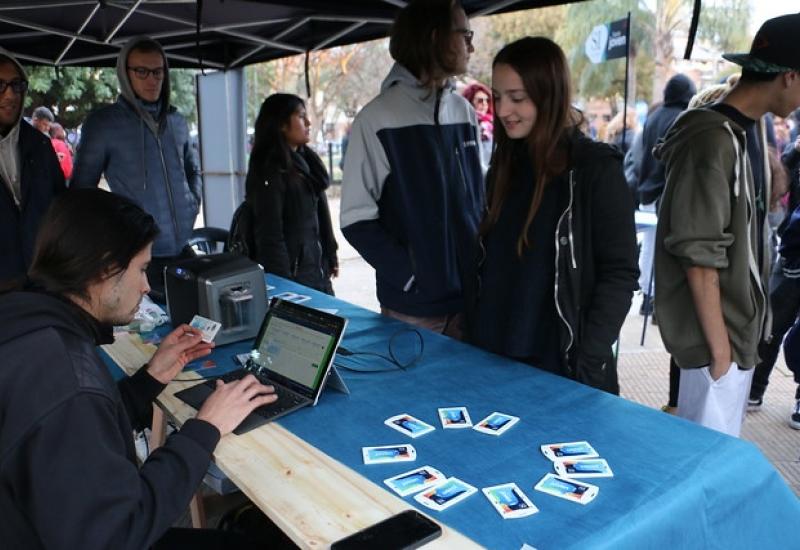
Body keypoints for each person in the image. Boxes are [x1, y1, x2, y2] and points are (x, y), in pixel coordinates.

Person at [0, 189, 277, 549]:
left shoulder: (25, 319)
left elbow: (79, 433)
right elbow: (116, 534)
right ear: (105, 268)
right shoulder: (68, 376)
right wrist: (205, 428)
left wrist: (151, 378)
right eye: (142, 269)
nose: (147, 287)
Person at [654, 13, 800, 437]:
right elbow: (698, 254)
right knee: (698, 468)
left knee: (711, 464)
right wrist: (720, 354)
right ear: (789, 77)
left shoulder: (746, 131)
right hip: (714, 345)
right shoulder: (711, 138)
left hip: (734, 338)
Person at [467, 37, 639, 393]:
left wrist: (589, 359)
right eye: (498, 96)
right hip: (492, 355)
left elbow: (620, 273)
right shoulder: (504, 164)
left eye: (517, 98)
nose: (502, 110)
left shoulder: (594, 169)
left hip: (561, 363)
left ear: (549, 94)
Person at [340, 0, 484, 338]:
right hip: (414, 311)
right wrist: (412, 276)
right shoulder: (376, 119)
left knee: (475, 392)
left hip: (474, 300)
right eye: (465, 35)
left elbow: (479, 202)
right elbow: (355, 219)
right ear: (436, 37)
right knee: (421, 393)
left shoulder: (464, 112)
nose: (471, 46)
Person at [72, 36, 202, 298]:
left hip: (182, 248)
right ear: (125, 74)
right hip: (137, 253)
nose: (151, 79)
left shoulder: (176, 121)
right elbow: (80, 193)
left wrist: (191, 204)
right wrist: (117, 228)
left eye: (157, 71)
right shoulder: (104, 124)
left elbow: (193, 171)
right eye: (141, 71)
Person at [245, 93, 338, 294]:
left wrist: (330, 253)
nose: (308, 122)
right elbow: (270, 236)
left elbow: (320, 217)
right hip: (294, 280)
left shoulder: (306, 163)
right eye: (301, 116)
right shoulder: (270, 170)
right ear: (281, 124)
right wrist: (284, 288)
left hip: (316, 271)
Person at [0, 48, 65, 283]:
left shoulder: (40, 144)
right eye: (0, 85)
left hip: (42, 277)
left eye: (17, 85)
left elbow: (60, 204)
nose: (10, 95)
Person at [636, 73, 696, 316]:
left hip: (647, 191)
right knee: (663, 250)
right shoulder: (682, 118)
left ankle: (646, 296)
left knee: (649, 247)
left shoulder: (654, 116)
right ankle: (655, 300)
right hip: (666, 193)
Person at [462, 81, 493, 168]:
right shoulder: (465, 125)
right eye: (480, 100)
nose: (484, 104)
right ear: (470, 102)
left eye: (487, 100)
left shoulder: (492, 124)